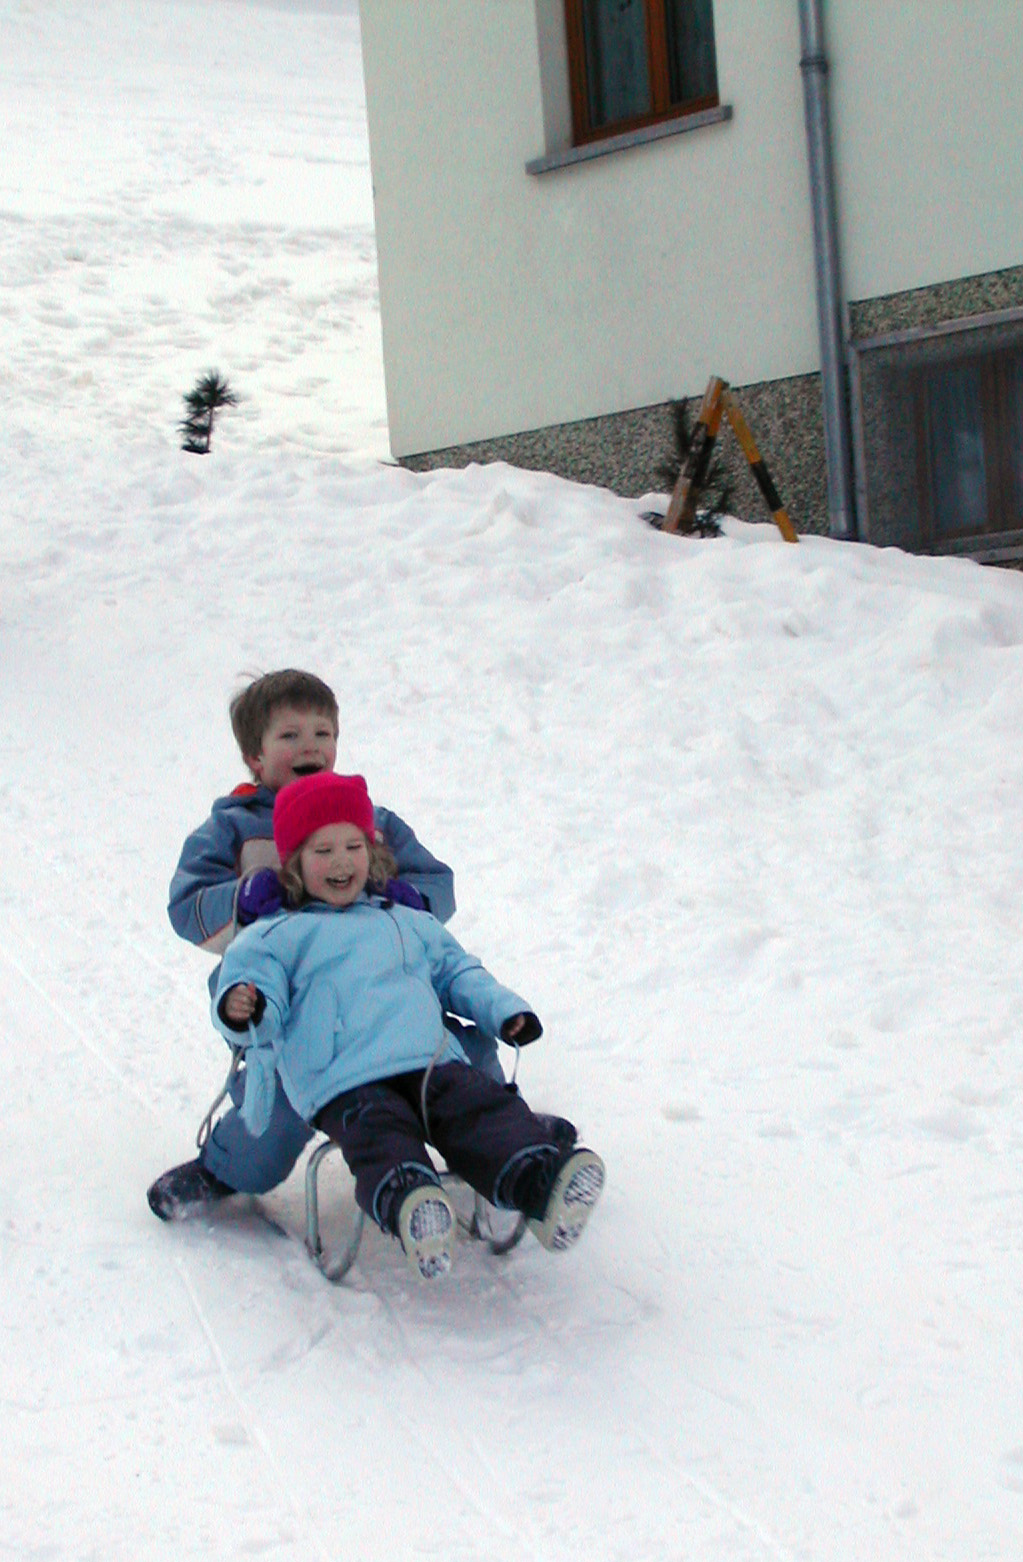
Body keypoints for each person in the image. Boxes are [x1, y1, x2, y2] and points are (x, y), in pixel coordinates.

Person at [214, 771, 605, 1278]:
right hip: (343, 1078)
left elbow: (456, 970)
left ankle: (540, 1186)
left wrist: (505, 1011)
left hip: (429, 1060)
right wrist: (244, 1005)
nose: (341, 862)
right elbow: (253, 983)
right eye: (322, 850)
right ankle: (412, 1205)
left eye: (353, 846)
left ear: (371, 852)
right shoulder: (276, 935)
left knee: (480, 1107)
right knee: (378, 1133)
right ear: (292, 865)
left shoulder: (403, 918)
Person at [148, 667, 498, 1221]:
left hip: (387, 1000)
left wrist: (403, 896)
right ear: (254, 758)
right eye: (289, 736)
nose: (309, 745)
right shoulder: (235, 830)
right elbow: (185, 906)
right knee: (278, 1107)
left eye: (322, 733)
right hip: (294, 1015)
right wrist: (244, 899)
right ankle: (227, 1166)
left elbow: (439, 886)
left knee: (471, 1054)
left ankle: (510, 1146)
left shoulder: (368, 823)